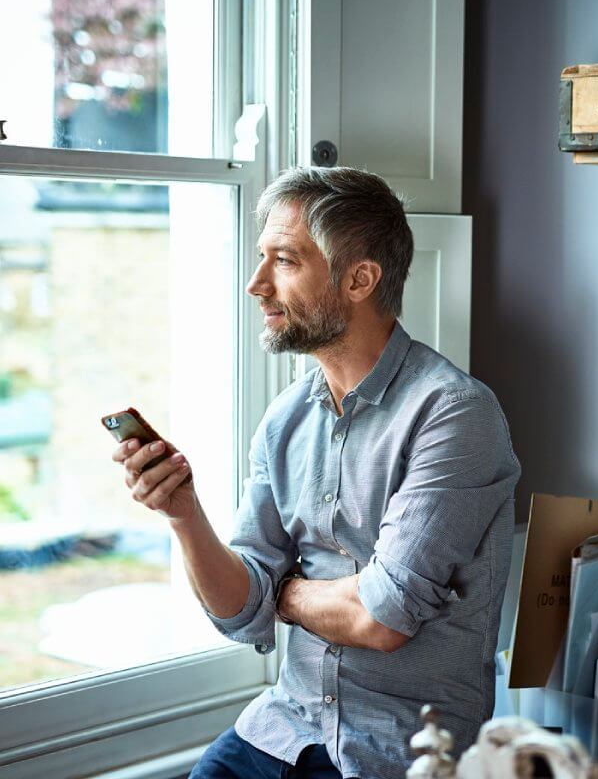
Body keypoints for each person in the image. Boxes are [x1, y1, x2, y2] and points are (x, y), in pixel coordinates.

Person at [111, 167, 521, 779]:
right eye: (262, 258)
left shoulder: (455, 415)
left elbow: (379, 620)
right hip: (284, 725)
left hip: (400, 749)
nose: (256, 284)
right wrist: (184, 515)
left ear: (359, 279)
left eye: (285, 261)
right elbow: (240, 613)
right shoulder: (285, 419)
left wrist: (281, 592)